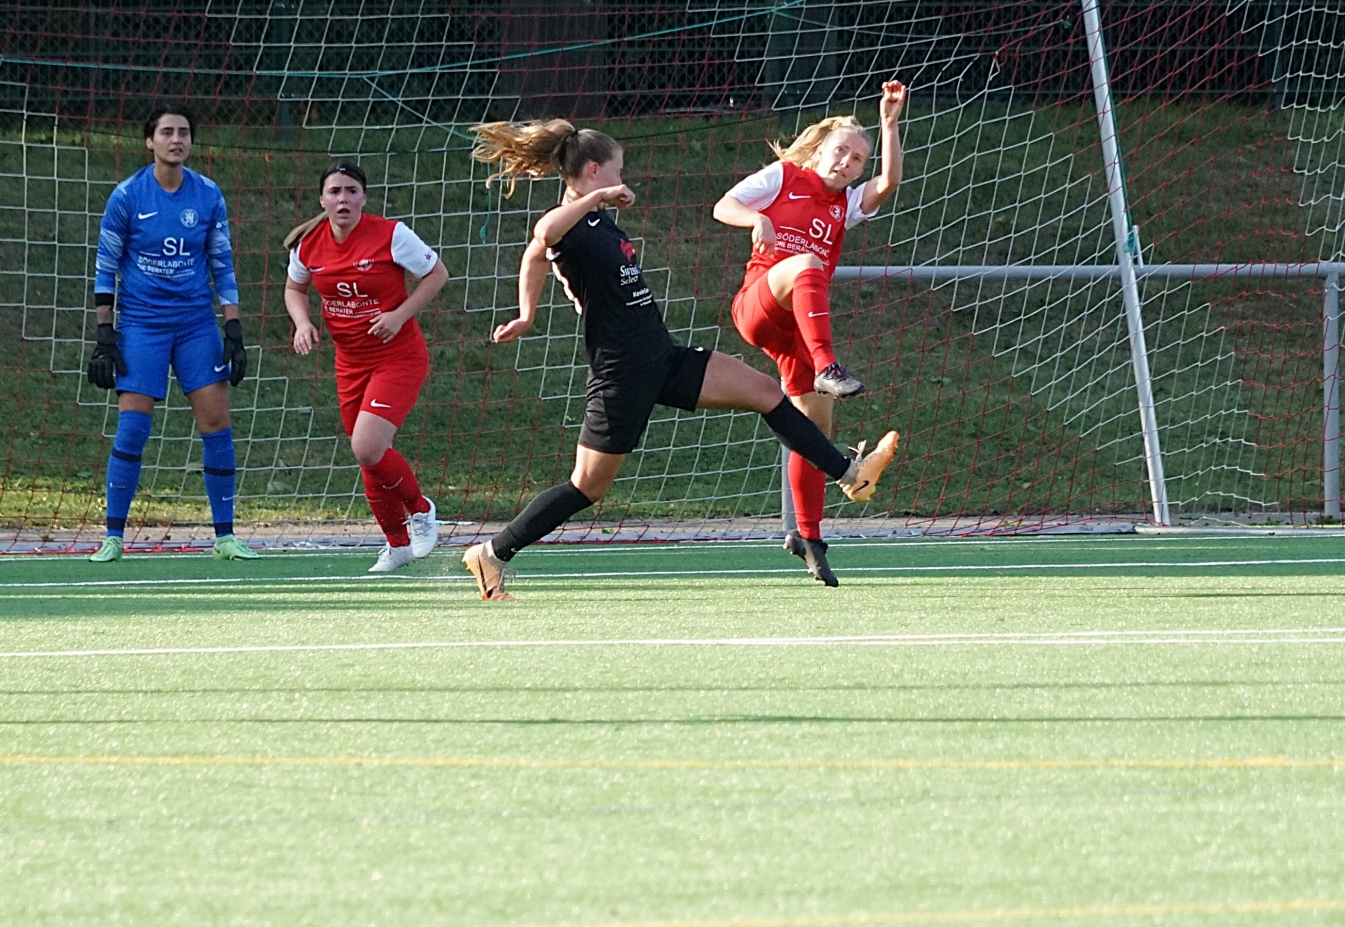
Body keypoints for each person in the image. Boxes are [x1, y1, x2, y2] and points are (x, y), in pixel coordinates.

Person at [460, 120, 899, 599]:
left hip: (662, 357)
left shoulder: (596, 220)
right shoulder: (573, 220)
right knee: (586, 487)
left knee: (766, 393)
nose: (623, 179)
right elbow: (542, 235)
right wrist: (596, 202)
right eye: (617, 170)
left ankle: (850, 474)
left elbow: (534, 258)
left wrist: (526, 314)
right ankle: (492, 552)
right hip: (621, 373)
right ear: (593, 171)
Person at [714, 81, 906, 580]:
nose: (847, 162)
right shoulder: (784, 176)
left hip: (797, 328)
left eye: (857, 159)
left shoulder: (847, 204)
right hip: (757, 305)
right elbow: (723, 206)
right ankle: (828, 366)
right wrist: (755, 219)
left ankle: (810, 538)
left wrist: (888, 123)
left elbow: (888, 183)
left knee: (813, 432)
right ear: (820, 149)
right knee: (805, 263)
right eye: (841, 150)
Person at [86, 105, 254, 561]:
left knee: (216, 424)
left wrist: (233, 328)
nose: (176, 139)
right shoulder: (127, 196)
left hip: (196, 324)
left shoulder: (208, 194)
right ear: (150, 141)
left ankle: (225, 538)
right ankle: (113, 537)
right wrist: (105, 334)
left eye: (183, 132)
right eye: (166, 132)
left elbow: (222, 263)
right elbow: (105, 267)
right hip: (142, 324)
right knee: (133, 427)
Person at [283, 161, 450, 573]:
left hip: (397, 357)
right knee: (371, 456)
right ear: (322, 200)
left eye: (351, 191)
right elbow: (294, 288)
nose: (343, 199)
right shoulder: (307, 245)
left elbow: (437, 274)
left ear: (364, 198)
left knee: (367, 445)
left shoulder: (391, 235)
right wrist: (302, 323)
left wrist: (399, 315)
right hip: (350, 362)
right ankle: (397, 545)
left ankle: (421, 509)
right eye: (335, 191)